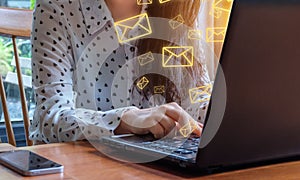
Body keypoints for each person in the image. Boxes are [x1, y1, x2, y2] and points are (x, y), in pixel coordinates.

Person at [30, 0, 210, 143]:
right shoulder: (56, 7)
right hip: (78, 165)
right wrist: (126, 120)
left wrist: (222, 110)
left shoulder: (173, 8)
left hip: (151, 166)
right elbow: (51, 117)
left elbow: (196, 99)